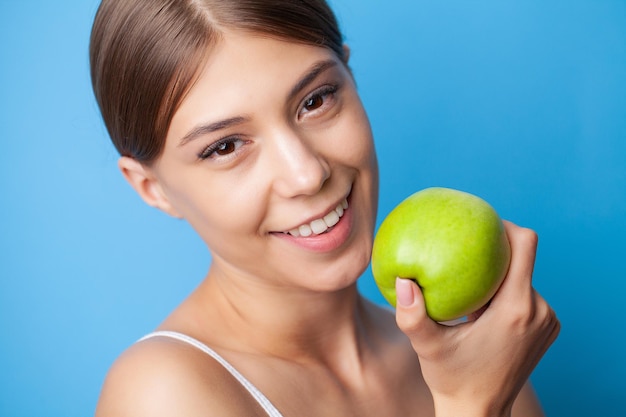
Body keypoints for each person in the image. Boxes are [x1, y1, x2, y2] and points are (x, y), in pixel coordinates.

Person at [90, 1, 560, 416]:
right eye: (226, 146)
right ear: (153, 189)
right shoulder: (161, 395)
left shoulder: (466, 354)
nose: (307, 174)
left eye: (315, 101)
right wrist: (472, 407)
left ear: (350, 77)